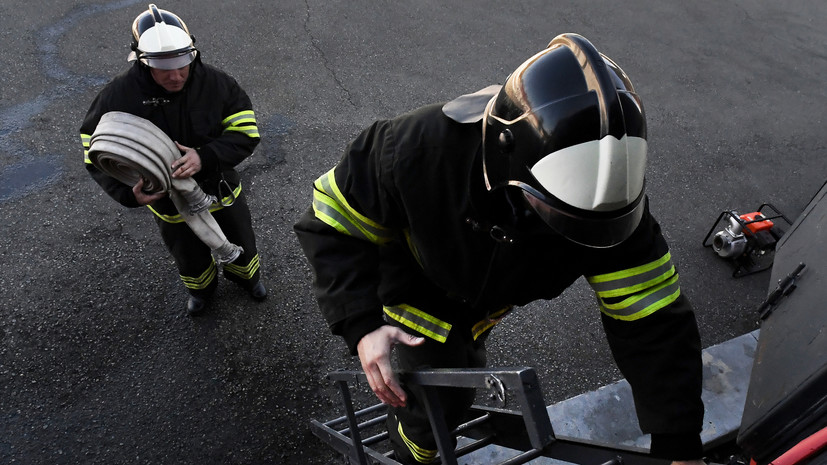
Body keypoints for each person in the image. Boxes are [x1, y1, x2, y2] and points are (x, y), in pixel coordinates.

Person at [295, 33, 705, 465]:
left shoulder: (606, 206)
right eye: (558, 217)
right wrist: (361, 326)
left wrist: (678, 444)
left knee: (452, 385)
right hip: (417, 295)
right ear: (507, 160)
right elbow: (330, 221)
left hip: (482, 297)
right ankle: (410, 455)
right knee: (436, 407)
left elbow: (653, 320)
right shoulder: (417, 150)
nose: (571, 235)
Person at [80, 4, 266, 314]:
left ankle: (247, 280)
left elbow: (246, 132)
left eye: (183, 64)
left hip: (219, 185)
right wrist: (129, 192)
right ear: (142, 61)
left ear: (192, 53)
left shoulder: (217, 85)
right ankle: (202, 291)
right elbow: (93, 146)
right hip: (167, 199)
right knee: (187, 250)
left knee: (239, 236)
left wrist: (205, 156)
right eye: (163, 67)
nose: (176, 75)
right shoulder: (119, 95)